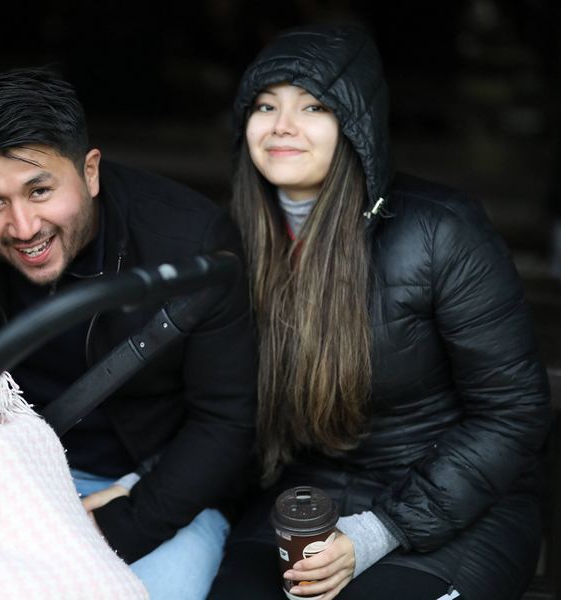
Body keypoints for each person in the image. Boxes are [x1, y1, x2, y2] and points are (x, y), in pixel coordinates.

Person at [205, 23, 552, 600]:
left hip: (456, 506)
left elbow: (512, 413)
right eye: (266, 105)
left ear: (356, 125)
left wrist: (375, 534)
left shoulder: (440, 230)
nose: (282, 125)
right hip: (302, 501)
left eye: (313, 106)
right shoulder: (234, 238)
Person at [0, 67, 257, 598]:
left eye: (40, 190)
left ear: (90, 172)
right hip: (2, 479)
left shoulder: (191, 239)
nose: (23, 226)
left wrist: (120, 522)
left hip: (150, 489)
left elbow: (227, 417)